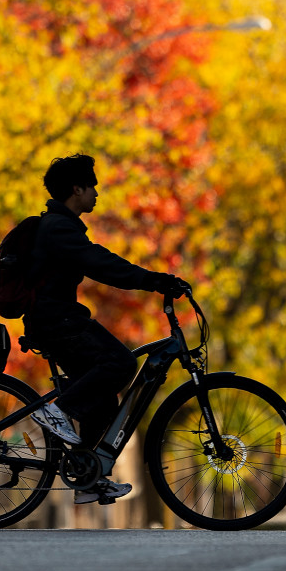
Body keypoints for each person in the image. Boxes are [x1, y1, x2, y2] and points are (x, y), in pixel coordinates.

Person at [24, 154, 187, 505]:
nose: (97, 192)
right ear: (77, 188)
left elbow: (98, 261)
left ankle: (89, 478)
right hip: (56, 320)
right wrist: (153, 280)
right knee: (122, 364)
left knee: (102, 397)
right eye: (92, 185)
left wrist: (152, 280)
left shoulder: (61, 226)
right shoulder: (58, 228)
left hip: (61, 317)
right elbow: (100, 263)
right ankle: (58, 410)